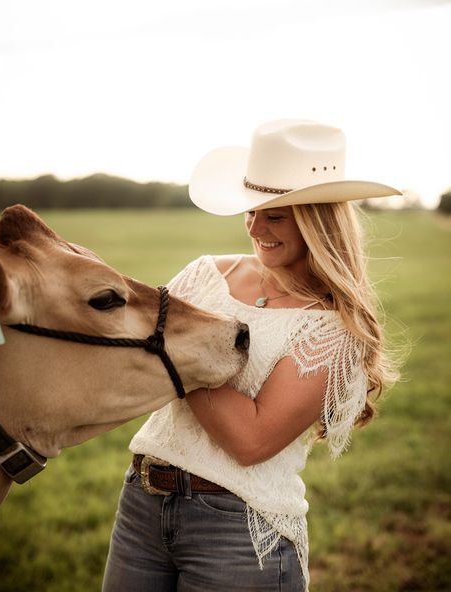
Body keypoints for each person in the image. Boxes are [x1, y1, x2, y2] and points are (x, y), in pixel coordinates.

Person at [102, 119, 401, 591]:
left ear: (317, 221)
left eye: (275, 215)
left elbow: (252, 440)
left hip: (237, 531)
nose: (255, 228)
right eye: (251, 211)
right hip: (141, 502)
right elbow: (135, 365)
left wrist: (179, 351)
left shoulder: (334, 328)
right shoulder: (204, 274)